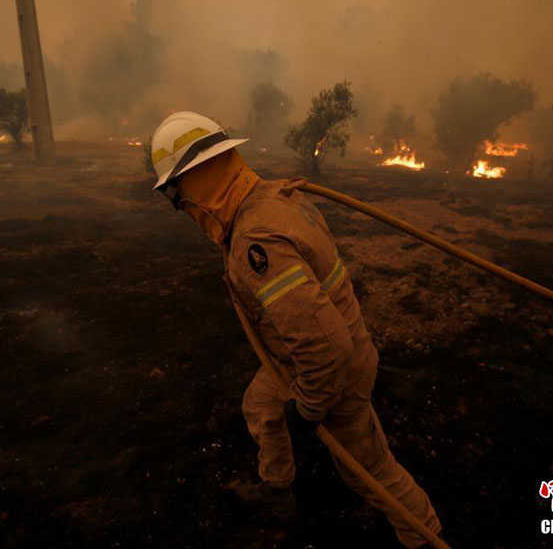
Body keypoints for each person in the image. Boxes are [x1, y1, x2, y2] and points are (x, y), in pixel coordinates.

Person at [150, 111, 442, 547]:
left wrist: (308, 407)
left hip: (336, 373)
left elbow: (326, 349)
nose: (180, 205)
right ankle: (277, 493)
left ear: (195, 181)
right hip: (296, 360)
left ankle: (425, 536)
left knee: (369, 473)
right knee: (261, 405)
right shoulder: (271, 198)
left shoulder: (256, 239)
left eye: (176, 192)